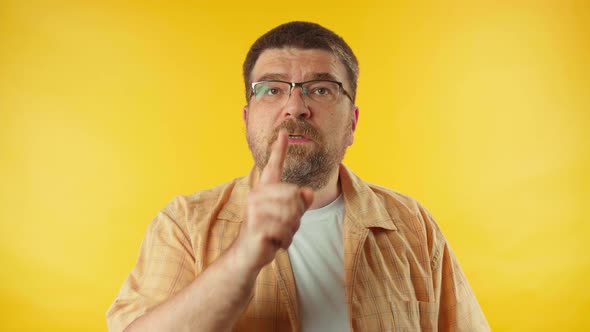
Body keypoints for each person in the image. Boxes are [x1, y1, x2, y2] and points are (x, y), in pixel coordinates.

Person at [107, 21, 490, 332]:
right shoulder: (184, 225)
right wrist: (243, 258)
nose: (295, 107)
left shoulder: (413, 225)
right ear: (246, 119)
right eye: (272, 89)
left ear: (352, 123)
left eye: (320, 89)